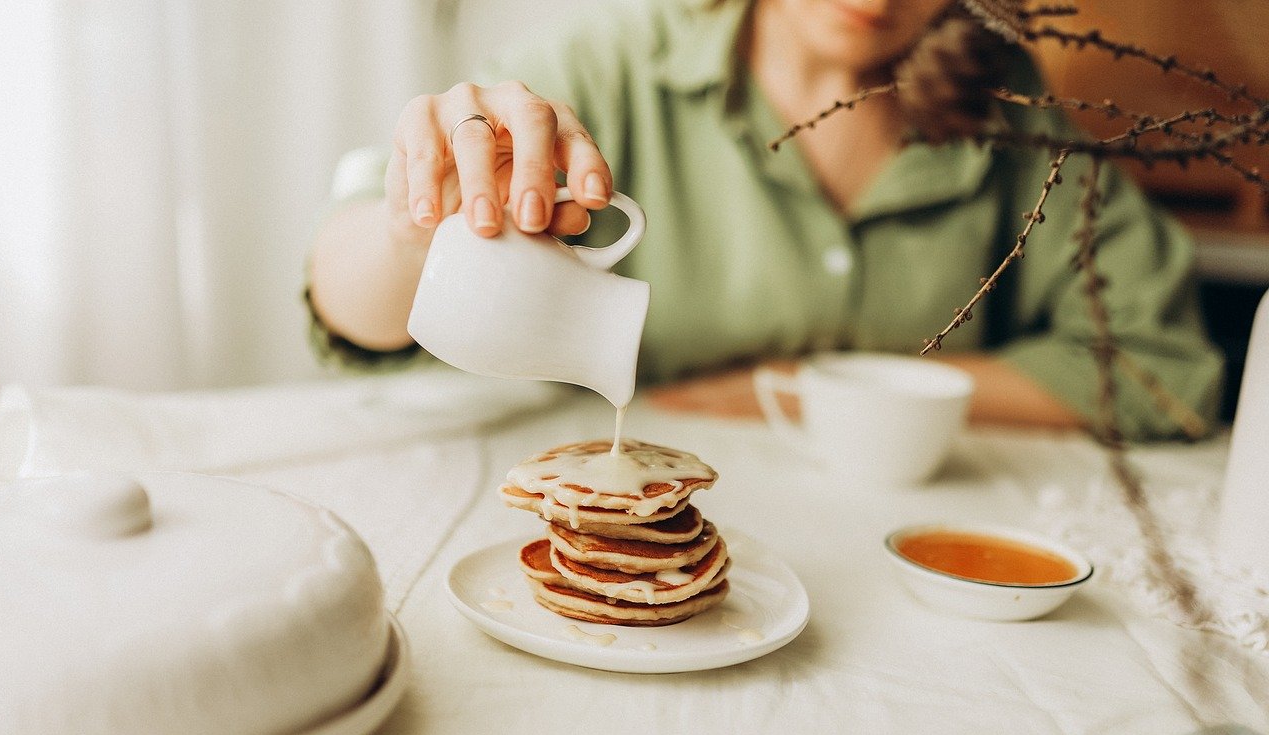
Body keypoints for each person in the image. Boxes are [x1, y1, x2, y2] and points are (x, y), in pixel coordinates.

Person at [306, 0, 1223, 440]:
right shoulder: (609, 67)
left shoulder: (1014, 124)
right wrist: (409, 230)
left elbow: (1161, 369)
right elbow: (349, 310)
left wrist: (814, 388)